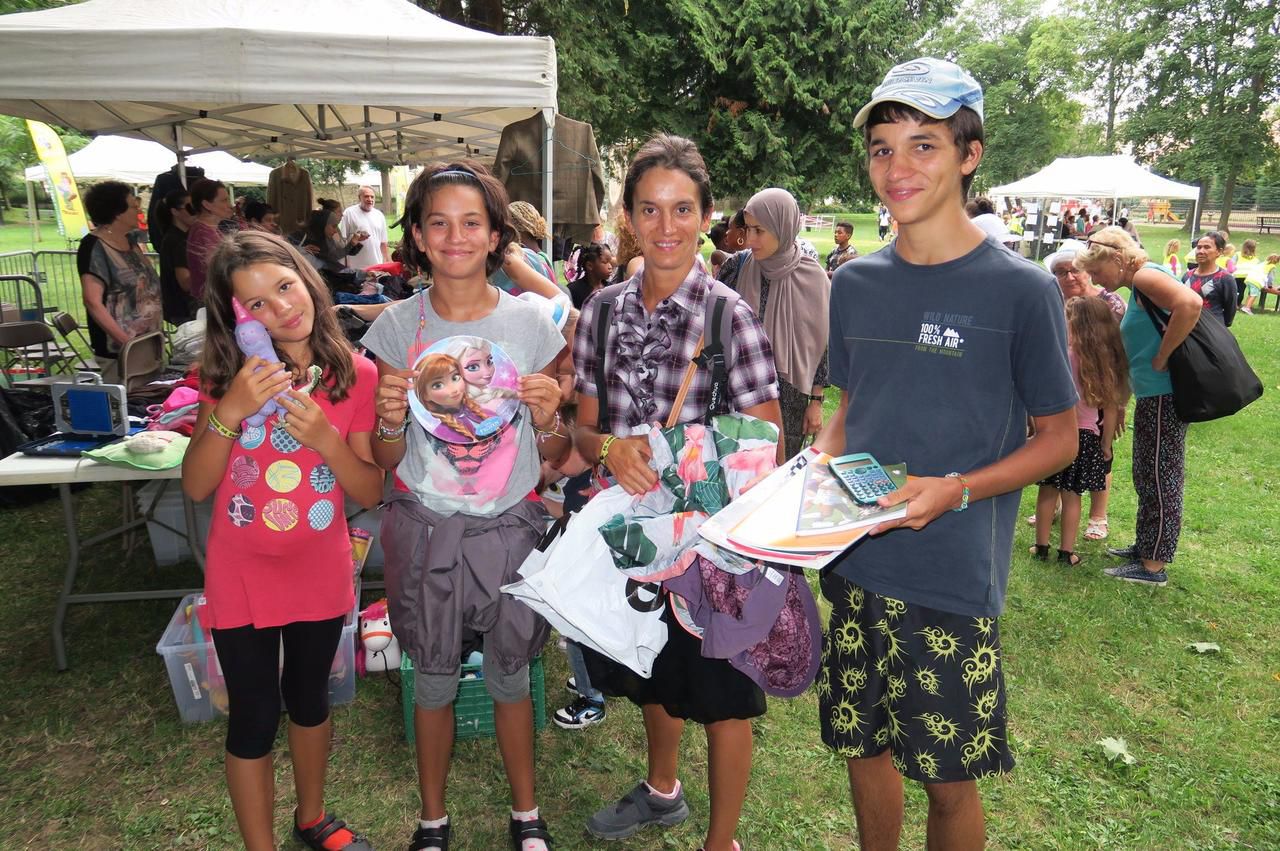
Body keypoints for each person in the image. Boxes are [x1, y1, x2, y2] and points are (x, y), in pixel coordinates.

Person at [813, 57, 1078, 850]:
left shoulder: (1022, 290)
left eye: (922, 145)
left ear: (970, 154)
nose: (897, 168)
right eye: (882, 148)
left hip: (953, 578)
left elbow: (1060, 437)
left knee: (947, 776)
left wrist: (954, 489)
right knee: (862, 749)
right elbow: (848, 409)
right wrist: (810, 467)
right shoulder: (853, 282)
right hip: (855, 563)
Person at [572, 134, 783, 851]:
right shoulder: (599, 311)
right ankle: (663, 790)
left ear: (706, 215)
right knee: (649, 671)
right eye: (650, 210)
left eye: (682, 209)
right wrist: (606, 448)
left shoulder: (729, 315)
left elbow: (767, 439)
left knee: (724, 698)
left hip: (712, 548)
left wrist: (681, 473)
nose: (666, 227)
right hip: (631, 537)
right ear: (626, 216)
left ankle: (720, 841)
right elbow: (582, 427)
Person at [362, 161, 568, 851]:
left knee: (513, 672)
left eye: (471, 222)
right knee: (433, 678)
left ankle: (526, 814)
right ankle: (432, 820)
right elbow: (387, 457)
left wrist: (549, 417)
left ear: (494, 235)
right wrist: (390, 420)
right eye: (439, 223)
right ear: (416, 236)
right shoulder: (397, 327)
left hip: (510, 528)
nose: (455, 236)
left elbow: (559, 450)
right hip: (426, 531)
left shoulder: (532, 322)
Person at [181, 231, 382, 851]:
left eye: (285, 287)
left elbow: (371, 490)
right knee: (252, 713)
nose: (280, 309)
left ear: (308, 280)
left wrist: (325, 438)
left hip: (319, 571)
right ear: (237, 318)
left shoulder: (357, 375)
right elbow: (195, 486)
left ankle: (312, 816)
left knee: (309, 696)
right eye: (257, 304)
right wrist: (229, 411)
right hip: (242, 573)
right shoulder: (226, 377)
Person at [1076, 226, 1203, 586]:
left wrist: (1163, 358)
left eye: (1097, 272)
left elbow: (1190, 304)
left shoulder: (1146, 274)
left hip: (1165, 393)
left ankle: (1153, 565)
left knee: (1161, 474)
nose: (1096, 280)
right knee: (1148, 471)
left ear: (1118, 259)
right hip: (1152, 394)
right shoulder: (1139, 284)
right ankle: (1147, 546)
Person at [1031, 241, 1125, 542]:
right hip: (1067, 409)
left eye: (1074, 270)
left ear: (1087, 271)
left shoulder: (1109, 304)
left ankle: (1098, 515)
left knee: (1100, 460)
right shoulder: (1052, 304)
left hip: (1098, 400)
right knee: (1064, 469)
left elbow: (1119, 359)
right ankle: (1056, 509)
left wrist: (1119, 401)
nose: (1069, 276)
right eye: (1060, 272)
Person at [738, 187, 831, 459]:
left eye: (759, 231)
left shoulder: (813, 279)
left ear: (782, 227)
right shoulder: (740, 268)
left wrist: (816, 402)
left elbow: (822, 347)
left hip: (791, 398)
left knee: (779, 474)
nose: (750, 239)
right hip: (742, 392)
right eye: (748, 229)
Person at [77, 180, 164, 381]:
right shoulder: (94, 247)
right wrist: (127, 343)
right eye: (133, 206)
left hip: (150, 342)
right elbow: (92, 301)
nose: (138, 210)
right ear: (117, 212)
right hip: (121, 351)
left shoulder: (130, 240)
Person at [187, 178, 235, 301]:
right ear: (207, 205)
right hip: (211, 301)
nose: (230, 205)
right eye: (224, 200)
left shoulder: (209, 229)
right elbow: (219, 269)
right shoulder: (202, 232)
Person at [158, 189, 198, 326]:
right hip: (184, 310)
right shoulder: (176, 240)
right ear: (175, 212)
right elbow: (186, 283)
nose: (195, 212)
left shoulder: (185, 236)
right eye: (189, 207)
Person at [1182, 231, 1237, 326]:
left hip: (1211, 330)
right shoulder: (1187, 276)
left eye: (1207, 247)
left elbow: (1230, 308)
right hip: (1186, 328)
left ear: (1219, 252)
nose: (1201, 251)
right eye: (1199, 247)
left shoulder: (1225, 279)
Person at [339, 186, 388, 269]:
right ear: (359, 198)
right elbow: (342, 240)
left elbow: (383, 242)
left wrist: (387, 260)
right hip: (356, 266)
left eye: (372, 197)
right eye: (366, 196)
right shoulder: (349, 213)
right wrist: (345, 264)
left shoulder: (379, 215)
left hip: (376, 264)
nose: (370, 199)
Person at [566, 242, 615, 309]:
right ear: (589, 265)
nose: (610, 266)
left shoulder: (611, 288)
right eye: (605, 262)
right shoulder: (573, 290)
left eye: (610, 262)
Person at [1236, 239, 1262, 315]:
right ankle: (1238, 304)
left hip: (1236, 275)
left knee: (1235, 290)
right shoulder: (1255, 259)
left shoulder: (1237, 254)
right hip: (1247, 277)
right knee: (1241, 291)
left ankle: (1234, 304)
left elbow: (1232, 262)